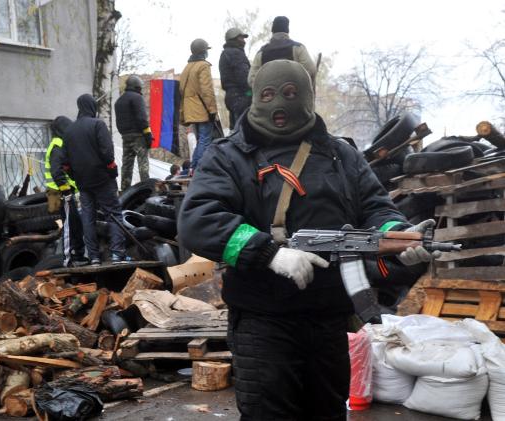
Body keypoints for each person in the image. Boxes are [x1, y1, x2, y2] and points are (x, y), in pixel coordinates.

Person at [178, 60, 439, 420]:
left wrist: (397, 237)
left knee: (327, 413)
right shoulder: (228, 156)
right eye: (268, 95)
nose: (278, 105)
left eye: (289, 94)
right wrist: (269, 253)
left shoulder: (342, 155)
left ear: (307, 97)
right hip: (263, 322)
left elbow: (376, 209)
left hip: (329, 320)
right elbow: (197, 221)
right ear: (255, 98)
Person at [60, 94, 127, 265]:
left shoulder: (69, 131)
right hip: (102, 179)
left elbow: (65, 163)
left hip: (83, 183)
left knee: (87, 219)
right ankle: (117, 254)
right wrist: (112, 172)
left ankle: (94, 257)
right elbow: (107, 153)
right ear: (92, 107)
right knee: (114, 215)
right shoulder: (98, 124)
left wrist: (75, 178)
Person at [45, 116, 88, 268]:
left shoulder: (63, 144)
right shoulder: (57, 146)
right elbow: (57, 172)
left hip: (67, 192)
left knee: (76, 224)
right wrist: (66, 190)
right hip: (61, 193)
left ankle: (78, 256)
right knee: (69, 226)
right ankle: (67, 260)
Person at [248, 16, 317, 90]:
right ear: (287, 29)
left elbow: (251, 79)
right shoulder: (298, 47)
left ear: (273, 30)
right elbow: (311, 69)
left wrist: (266, 89)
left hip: (268, 98)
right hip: (293, 96)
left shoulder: (261, 52)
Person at [179, 38, 218, 170]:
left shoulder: (187, 67)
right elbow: (207, 90)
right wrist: (212, 110)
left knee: (200, 140)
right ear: (203, 51)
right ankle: (200, 169)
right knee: (205, 140)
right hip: (202, 109)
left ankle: (194, 167)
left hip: (190, 109)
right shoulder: (203, 65)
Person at [114, 75, 153, 192]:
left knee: (126, 165)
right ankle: (146, 189)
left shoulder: (119, 101)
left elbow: (118, 122)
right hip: (138, 136)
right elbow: (142, 119)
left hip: (125, 137)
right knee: (143, 164)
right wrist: (148, 135)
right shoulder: (137, 98)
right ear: (137, 87)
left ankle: (125, 191)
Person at [219, 28, 252, 129]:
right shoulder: (236, 53)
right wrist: (250, 93)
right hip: (240, 98)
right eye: (241, 37)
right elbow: (244, 78)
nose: (244, 41)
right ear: (234, 39)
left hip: (231, 97)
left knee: (235, 131)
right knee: (243, 131)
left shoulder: (225, 53)